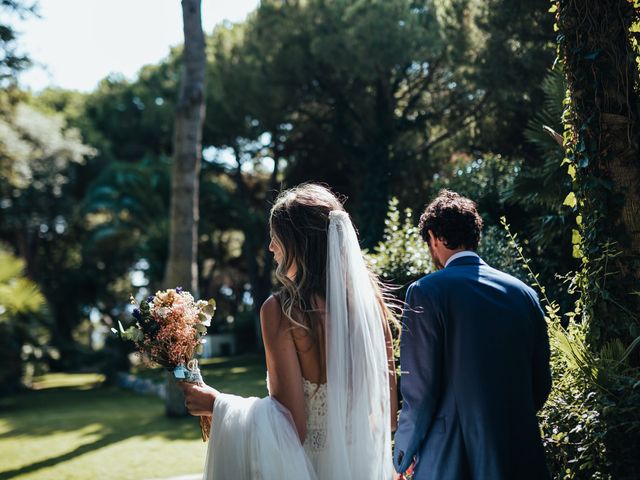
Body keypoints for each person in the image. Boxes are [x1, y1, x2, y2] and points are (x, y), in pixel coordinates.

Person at [180, 183, 398, 480]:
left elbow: (290, 426)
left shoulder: (282, 311)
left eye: (276, 238)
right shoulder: (372, 307)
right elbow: (389, 415)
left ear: (298, 243)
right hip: (364, 467)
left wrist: (216, 404)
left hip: (308, 467)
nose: (271, 247)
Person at [393, 190, 552, 480]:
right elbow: (540, 383)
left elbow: (419, 392)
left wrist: (402, 455)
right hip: (519, 453)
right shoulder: (524, 294)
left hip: (450, 459)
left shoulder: (426, 292)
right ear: (474, 236)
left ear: (434, 237)